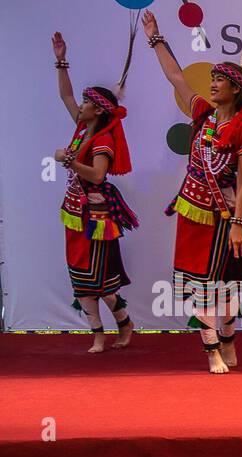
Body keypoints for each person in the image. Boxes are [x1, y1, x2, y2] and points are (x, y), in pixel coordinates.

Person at [141, 7, 242, 374]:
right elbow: (176, 76)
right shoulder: (202, 113)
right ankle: (212, 350)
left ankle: (230, 335)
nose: (213, 83)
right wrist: (156, 37)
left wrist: (238, 223)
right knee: (199, 283)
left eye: (220, 80)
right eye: (214, 78)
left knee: (230, 282)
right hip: (192, 210)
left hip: (226, 214)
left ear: (236, 90)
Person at [52, 26, 140, 353]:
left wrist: (70, 160)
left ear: (99, 110)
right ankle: (98, 332)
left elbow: (99, 175)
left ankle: (123, 324)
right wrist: (62, 62)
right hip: (74, 213)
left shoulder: (103, 140)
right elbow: (65, 96)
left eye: (88, 102)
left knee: (101, 283)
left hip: (96, 218)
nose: (82, 105)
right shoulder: (81, 127)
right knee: (80, 279)